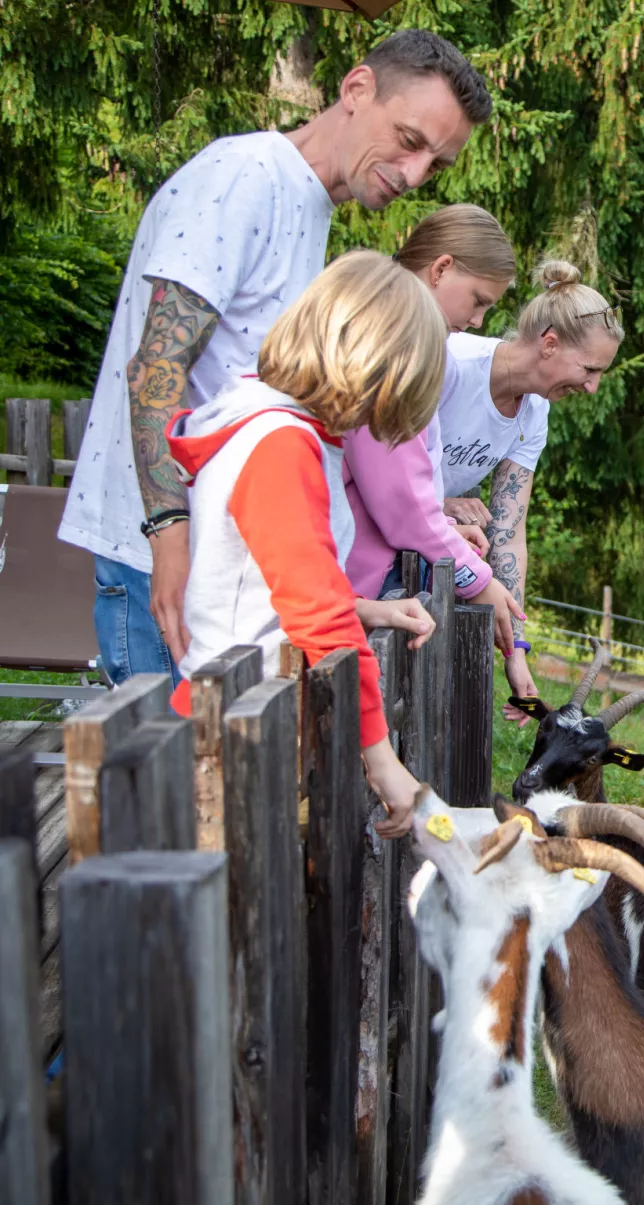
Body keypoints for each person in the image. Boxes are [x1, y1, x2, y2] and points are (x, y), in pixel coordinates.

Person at [59, 30, 492, 685]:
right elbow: (155, 367)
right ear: (356, 89)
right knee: (170, 785)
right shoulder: (243, 180)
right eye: (409, 141)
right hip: (167, 569)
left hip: (224, 580)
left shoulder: (309, 205)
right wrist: (170, 539)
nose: (413, 175)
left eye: (435, 163)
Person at [167, 251, 443, 835]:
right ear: (366, 370)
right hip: (231, 736)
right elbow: (314, 613)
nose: (376, 421)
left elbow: (272, 582)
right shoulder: (280, 445)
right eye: (383, 401)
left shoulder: (277, 427)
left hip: (246, 713)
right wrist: (383, 760)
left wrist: (366, 609)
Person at [435, 259, 625, 719]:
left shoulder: (533, 412)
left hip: (431, 545)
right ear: (550, 344)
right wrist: (439, 504)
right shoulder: (452, 363)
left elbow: (508, 534)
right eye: (589, 368)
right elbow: (367, 454)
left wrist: (515, 652)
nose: (593, 386)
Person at [342, 204, 526, 656]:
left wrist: (441, 528)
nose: (479, 321)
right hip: (346, 574)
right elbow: (400, 499)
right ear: (441, 269)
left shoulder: (402, 336)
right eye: (479, 300)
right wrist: (476, 577)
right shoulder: (392, 343)